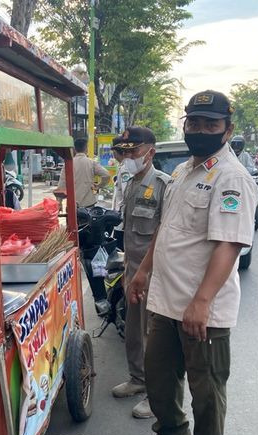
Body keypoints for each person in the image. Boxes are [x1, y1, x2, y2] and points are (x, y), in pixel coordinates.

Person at [128, 90, 258, 435]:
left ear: (227, 130)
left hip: (203, 308)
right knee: (159, 375)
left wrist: (202, 302)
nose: (200, 130)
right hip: (167, 299)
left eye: (210, 124)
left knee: (206, 388)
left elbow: (229, 243)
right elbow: (166, 230)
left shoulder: (232, 177)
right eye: (194, 122)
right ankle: (172, 434)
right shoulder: (185, 170)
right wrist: (143, 271)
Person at [111, 127, 170, 420]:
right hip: (131, 269)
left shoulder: (163, 185)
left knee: (154, 336)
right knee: (133, 328)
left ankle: (156, 394)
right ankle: (137, 378)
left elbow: (163, 233)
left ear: (150, 152)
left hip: (153, 273)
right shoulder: (132, 183)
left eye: (134, 152)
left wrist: (145, 272)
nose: (129, 158)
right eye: (125, 152)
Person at [56, 137, 110, 208]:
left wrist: (59, 202)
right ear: (86, 149)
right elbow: (106, 175)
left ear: (74, 149)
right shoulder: (91, 163)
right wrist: (99, 185)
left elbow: (62, 183)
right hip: (89, 203)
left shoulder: (68, 164)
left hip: (73, 203)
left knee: (74, 219)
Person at [110, 135, 129, 251]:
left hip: (122, 220)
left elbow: (127, 193)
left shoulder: (125, 168)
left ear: (117, 152)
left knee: (121, 252)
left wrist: (121, 216)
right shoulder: (122, 166)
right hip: (120, 219)